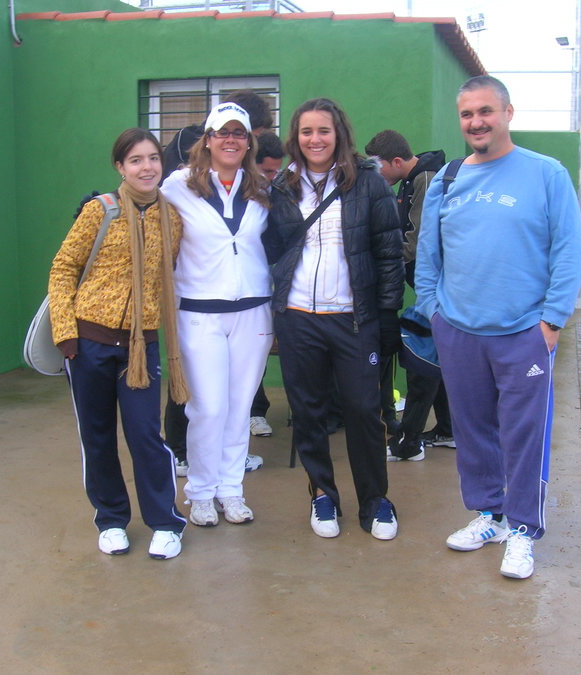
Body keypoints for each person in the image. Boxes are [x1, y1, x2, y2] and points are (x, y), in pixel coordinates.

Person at [416, 76, 581, 579]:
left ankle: (523, 530)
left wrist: (551, 322)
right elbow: (427, 255)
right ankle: (488, 515)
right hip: (458, 331)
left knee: (524, 435)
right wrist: (434, 313)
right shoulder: (446, 180)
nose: (476, 122)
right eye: (467, 114)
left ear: (508, 113)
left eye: (486, 111)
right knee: (472, 431)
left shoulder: (546, 174)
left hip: (524, 333)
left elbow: (568, 250)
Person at [265, 98, 404, 540]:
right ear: (296, 137)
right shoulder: (282, 186)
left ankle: (375, 500)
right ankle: (322, 493)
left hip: (352, 318)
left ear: (338, 134)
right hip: (298, 317)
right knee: (309, 412)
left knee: (363, 410)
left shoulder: (369, 182)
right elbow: (271, 248)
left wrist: (387, 315)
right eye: (306, 132)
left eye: (323, 130)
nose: (315, 139)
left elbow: (388, 253)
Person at [48, 128, 188, 560]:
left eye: (153, 158)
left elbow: (171, 273)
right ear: (120, 167)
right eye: (136, 160)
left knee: (146, 434)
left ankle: (165, 522)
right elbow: (63, 268)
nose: (147, 167)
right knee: (97, 436)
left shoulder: (172, 218)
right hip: (88, 344)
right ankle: (111, 520)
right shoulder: (100, 211)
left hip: (140, 348)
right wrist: (66, 335)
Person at [160, 102, 273, 527]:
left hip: (253, 313)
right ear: (207, 140)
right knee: (207, 408)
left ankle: (231, 490)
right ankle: (201, 491)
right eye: (222, 132)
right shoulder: (178, 186)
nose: (230, 139)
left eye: (238, 133)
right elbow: (142, 206)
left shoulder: (261, 188)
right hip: (198, 313)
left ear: (248, 142)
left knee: (240, 407)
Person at [364, 129, 453, 461]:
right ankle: (447, 428)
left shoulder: (425, 179)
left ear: (397, 161)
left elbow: (416, 242)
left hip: (440, 287)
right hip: (431, 286)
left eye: (379, 167)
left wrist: (379, 257)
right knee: (435, 355)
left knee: (422, 359)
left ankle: (409, 441)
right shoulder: (411, 180)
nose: (377, 175)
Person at [249, 131, 286, 438]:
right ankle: (254, 412)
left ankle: (256, 410)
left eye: (276, 170)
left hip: (268, 285)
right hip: (236, 292)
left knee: (261, 349)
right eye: (267, 170)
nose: (272, 177)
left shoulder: (277, 192)